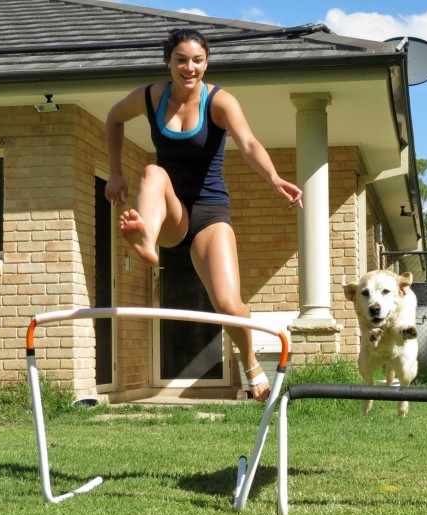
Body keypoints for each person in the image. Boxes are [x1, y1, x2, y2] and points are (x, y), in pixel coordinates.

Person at [104, 28, 303, 402]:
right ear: (168, 63)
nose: (189, 67)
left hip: (210, 210)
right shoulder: (151, 96)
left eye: (197, 60)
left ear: (206, 63)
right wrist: (115, 172)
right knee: (152, 172)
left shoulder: (220, 101)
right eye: (181, 60)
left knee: (229, 304)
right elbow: (114, 119)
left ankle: (250, 363)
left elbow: (248, 143)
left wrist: (274, 178)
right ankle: (147, 243)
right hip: (171, 210)